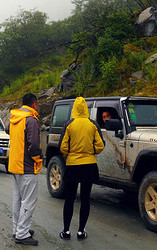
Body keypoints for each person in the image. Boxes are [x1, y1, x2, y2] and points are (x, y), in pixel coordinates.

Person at [58, 97, 105, 241]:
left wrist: (69, 155)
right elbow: (100, 145)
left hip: (73, 165)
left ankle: (66, 231)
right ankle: (80, 231)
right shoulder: (93, 124)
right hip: (89, 165)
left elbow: (63, 146)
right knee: (85, 198)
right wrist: (92, 152)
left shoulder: (69, 124)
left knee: (70, 198)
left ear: (74, 109)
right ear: (86, 109)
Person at [7, 93, 42, 246]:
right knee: (29, 201)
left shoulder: (15, 119)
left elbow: (7, 130)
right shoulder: (31, 121)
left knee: (18, 199)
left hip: (14, 165)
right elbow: (33, 146)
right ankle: (22, 234)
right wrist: (39, 158)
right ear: (34, 105)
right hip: (27, 167)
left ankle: (18, 229)